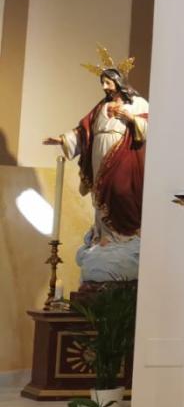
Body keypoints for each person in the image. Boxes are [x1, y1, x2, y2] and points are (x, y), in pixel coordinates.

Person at [45, 59, 149, 282]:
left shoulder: (139, 104)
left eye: (108, 82)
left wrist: (131, 119)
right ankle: (105, 238)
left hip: (125, 153)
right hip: (99, 155)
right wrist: (62, 139)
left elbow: (153, 126)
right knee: (101, 194)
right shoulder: (100, 107)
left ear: (119, 81)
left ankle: (126, 237)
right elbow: (83, 131)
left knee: (122, 192)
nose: (105, 87)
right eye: (103, 83)